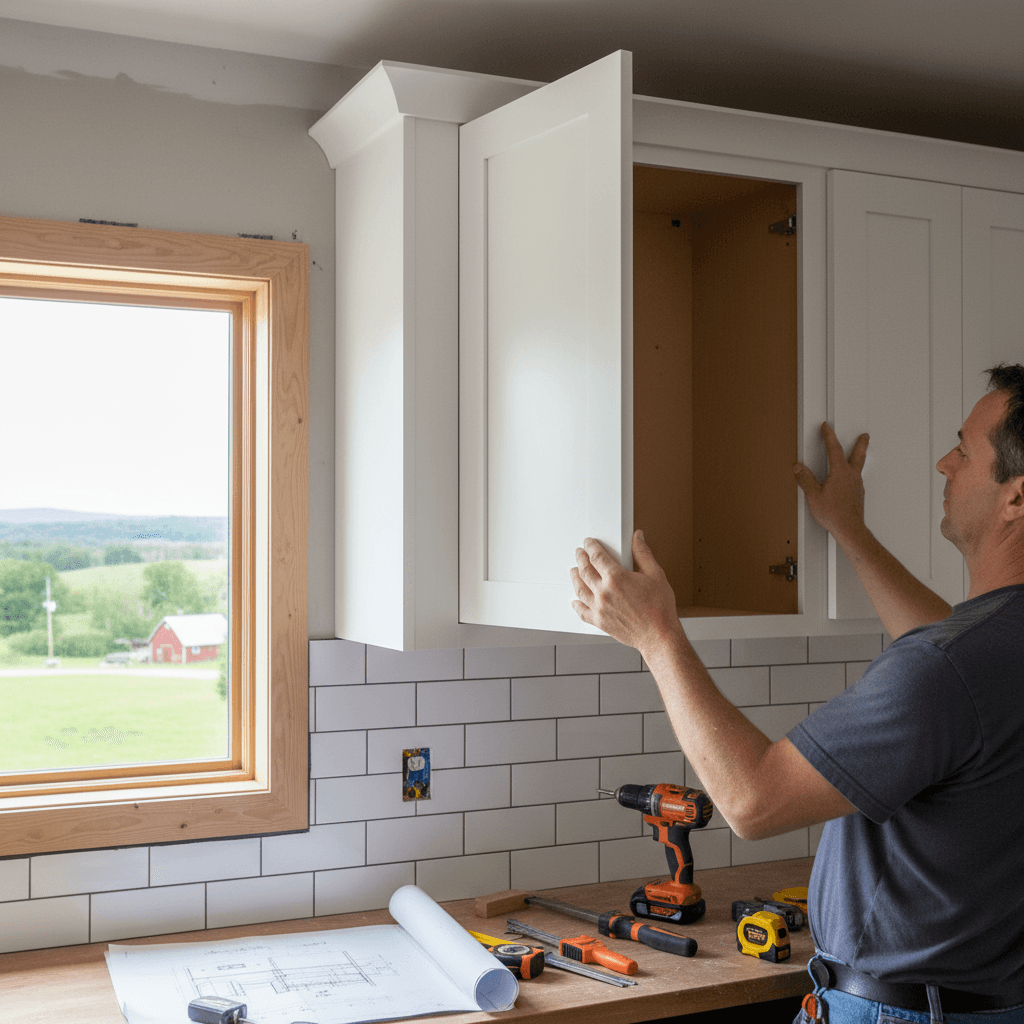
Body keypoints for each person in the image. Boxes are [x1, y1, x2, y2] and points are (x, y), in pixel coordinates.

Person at [570, 364, 1024, 1024]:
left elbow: (753, 801)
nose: (943, 463)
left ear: (1016, 497)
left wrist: (656, 635)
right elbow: (950, 651)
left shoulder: (948, 669)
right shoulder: (986, 653)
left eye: (965, 448)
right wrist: (848, 529)